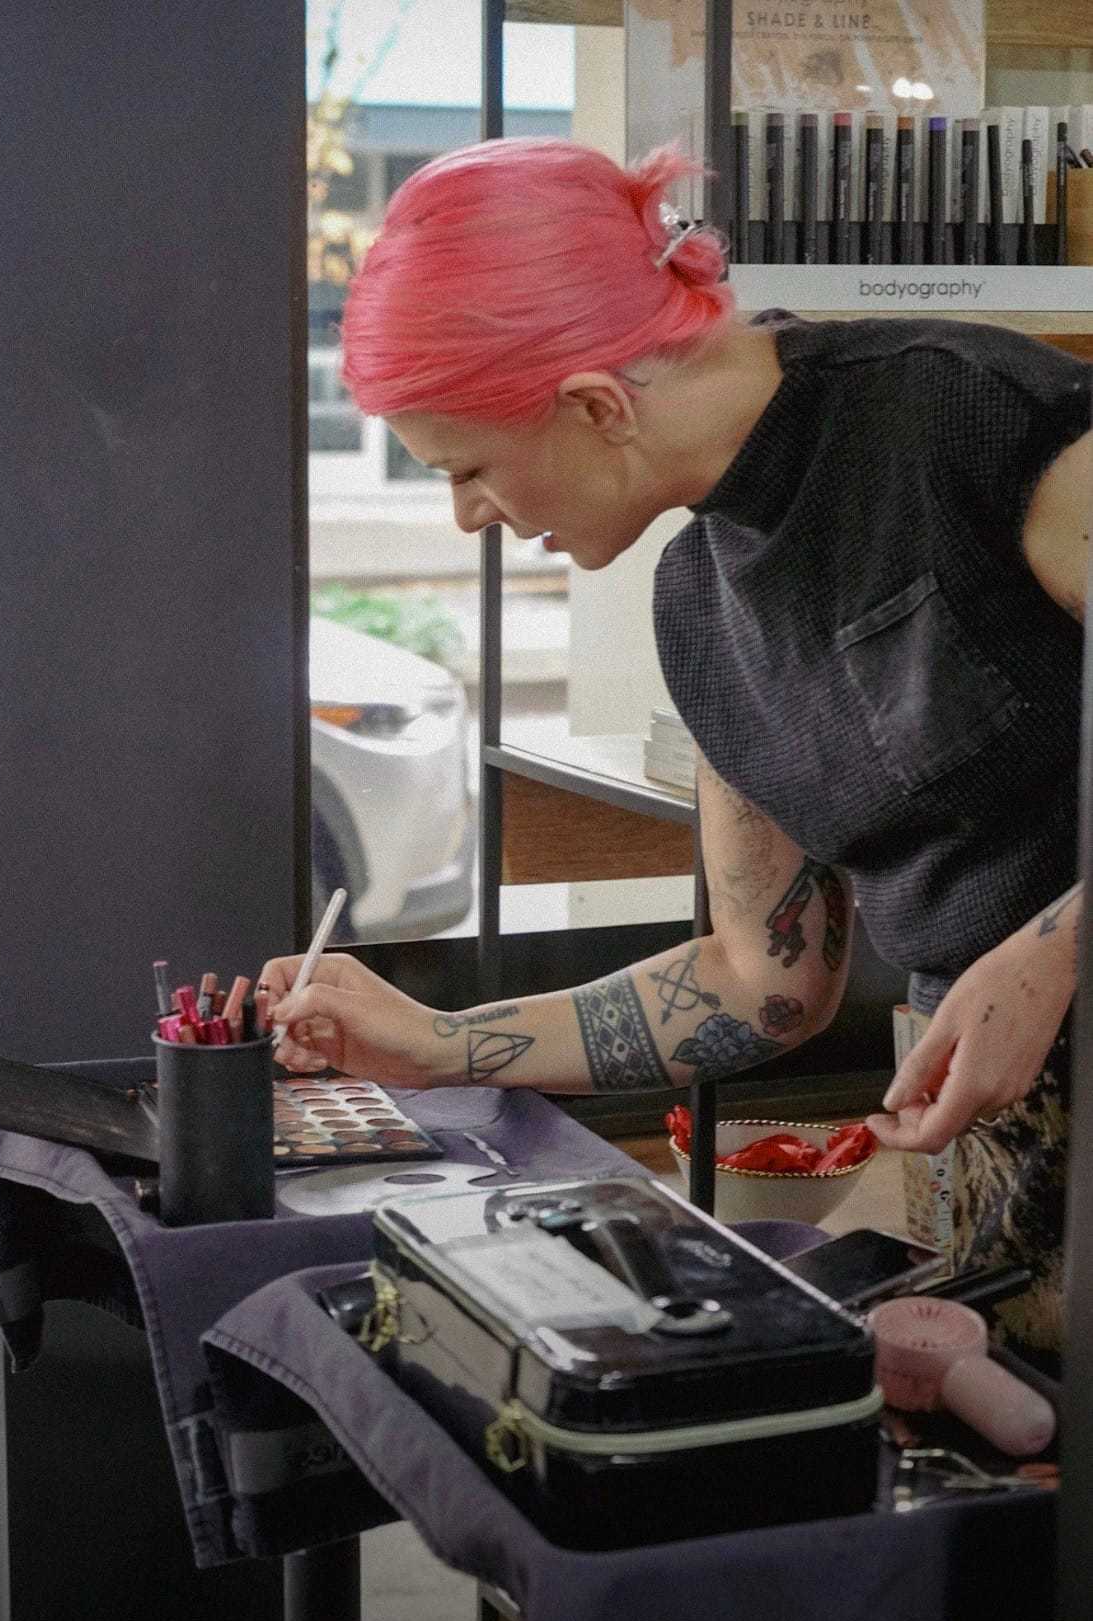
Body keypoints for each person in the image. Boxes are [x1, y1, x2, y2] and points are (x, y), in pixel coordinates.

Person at [263, 138, 1093, 1367]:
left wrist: (1056, 948)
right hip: (994, 1165)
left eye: (470, 469)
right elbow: (763, 982)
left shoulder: (969, 420)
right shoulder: (701, 608)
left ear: (598, 404)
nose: (468, 519)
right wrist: (439, 1045)